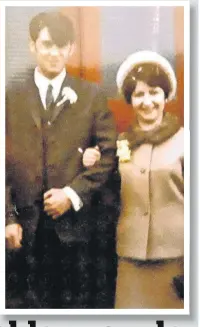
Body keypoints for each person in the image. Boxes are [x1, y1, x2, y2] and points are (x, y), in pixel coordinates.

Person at [5, 11, 119, 309]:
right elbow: (4, 163)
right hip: (25, 232)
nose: (54, 53)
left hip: (77, 233)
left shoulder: (92, 96)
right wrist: (8, 218)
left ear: (70, 49)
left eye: (61, 45)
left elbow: (108, 154)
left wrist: (71, 194)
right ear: (33, 46)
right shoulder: (12, 95)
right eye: (46, 44)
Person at [113, 50, 184, 308]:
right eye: (139, 94)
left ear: (166, 96)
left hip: (178, 261)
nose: (147, 101)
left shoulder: (187, 142)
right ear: (130, 100)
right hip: (130, 260)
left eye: (154, 92)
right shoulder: (121, 144)